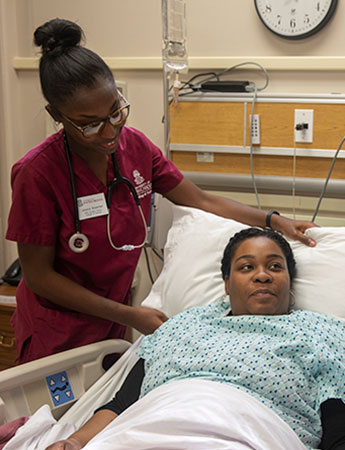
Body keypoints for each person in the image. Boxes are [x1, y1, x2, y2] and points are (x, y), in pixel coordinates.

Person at [6, 17, 316, 365]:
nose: (109, 132)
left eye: (115, 112)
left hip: (113, 327)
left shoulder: (134, 147)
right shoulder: (37, 173)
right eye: (89, 124)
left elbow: (201, 199)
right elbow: (39, 277)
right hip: (57, 331)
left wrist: (274, 220)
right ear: (56, 115)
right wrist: (128, 314)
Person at [46, 228, 345, 450]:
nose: (262, 275)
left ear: (290, 282)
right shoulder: (183, 326)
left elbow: (337, 429)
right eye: (246, 267)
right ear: (227, 284)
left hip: (252, 436)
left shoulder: (319, 333)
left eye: (275, 266)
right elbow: (123, 403)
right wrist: (75, 442)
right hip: (144, 430)